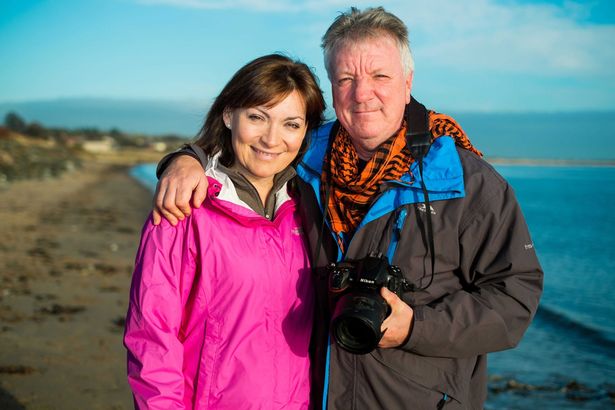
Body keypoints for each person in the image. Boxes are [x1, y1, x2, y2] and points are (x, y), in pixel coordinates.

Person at [153, 7, 544, 410]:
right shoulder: (307, 161)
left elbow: (515, 295)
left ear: (407, 82)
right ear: (333, 88)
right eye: (346, 79)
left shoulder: (466, 182)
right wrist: (189, 159)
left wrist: (416, 327)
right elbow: (254, 145)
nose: (362, 93)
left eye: (380, 76)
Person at [123, 54, 326, 409]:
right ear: (229, 115)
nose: (271, 139)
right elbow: (152, 337)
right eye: (257, 117)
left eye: (291, 124)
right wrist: (185, 159)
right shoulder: (185, 206)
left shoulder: (309, 209)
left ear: (306, 131)